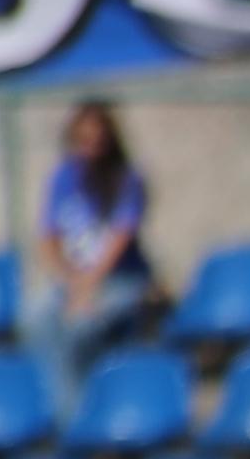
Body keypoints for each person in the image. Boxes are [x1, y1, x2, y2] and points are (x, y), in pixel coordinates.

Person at [35, 101, 159, 369]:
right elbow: (48, 237)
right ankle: (63, 403)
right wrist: (70, 282)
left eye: (98, 141)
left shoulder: (126, 180)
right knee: (36, 318)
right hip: (74, 280)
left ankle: (86, 405)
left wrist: (87, 288)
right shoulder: (63, 177)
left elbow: (120, 238)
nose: (91, 148)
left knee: (81, 328)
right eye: (83, 140)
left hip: (119, 280)